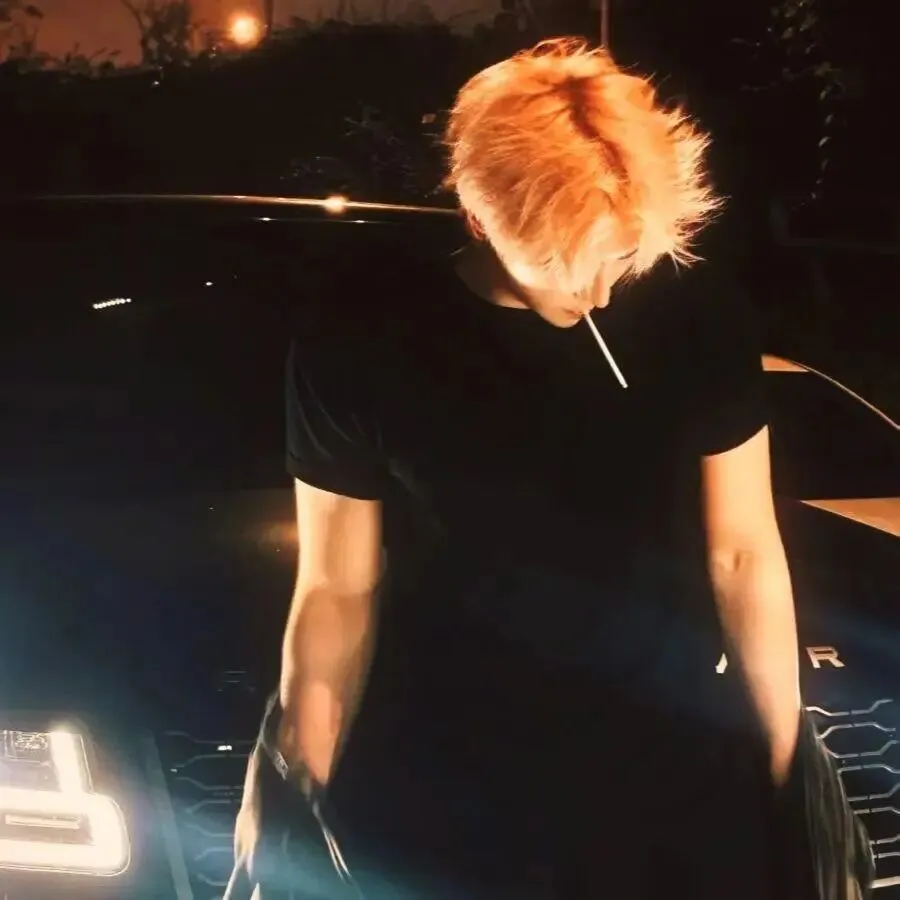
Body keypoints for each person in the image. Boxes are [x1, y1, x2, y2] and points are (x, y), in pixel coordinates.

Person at [234, 38, 840, 899]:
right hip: (452, 785)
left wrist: (787, 767)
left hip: (672, 777)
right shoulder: (360, 344)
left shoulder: (699, 319)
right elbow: (338, 587)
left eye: (620, 256)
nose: (597, 293)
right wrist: (297, 774)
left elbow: (743, 551)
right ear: (479, 218)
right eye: (560, 261)